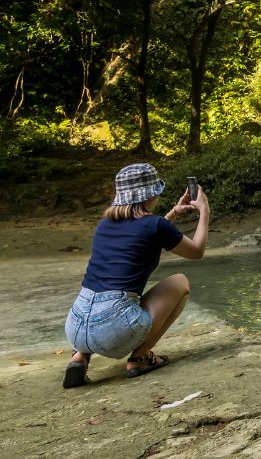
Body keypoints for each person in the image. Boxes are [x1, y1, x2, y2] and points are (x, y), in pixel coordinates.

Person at [62, 163, 210, 389]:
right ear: (151, 194)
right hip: (113, 327)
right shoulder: (156, 225)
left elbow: (146, 233)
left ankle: (79, 357)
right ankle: (139, 358)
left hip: (76, 325)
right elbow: (197, 251)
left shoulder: (105, 224)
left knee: (102, 294)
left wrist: (173, 213)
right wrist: (204, 212)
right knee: (180, 282)